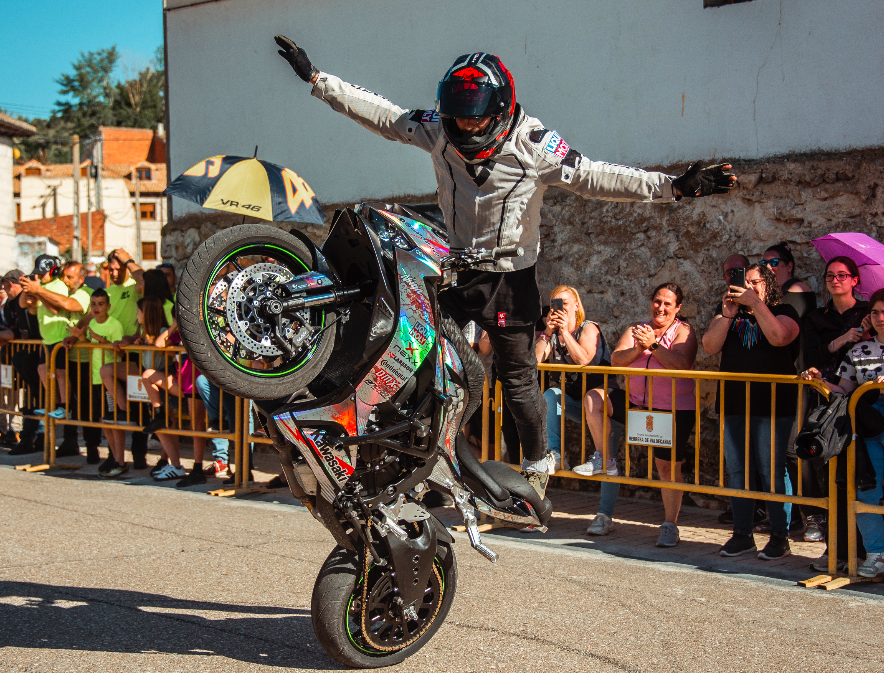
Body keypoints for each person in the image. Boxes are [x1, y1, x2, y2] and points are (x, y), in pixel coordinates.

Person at [275, 36, 737, 498]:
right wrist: (318, 80)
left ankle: (537, 464)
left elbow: (596, 176)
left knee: (516, 379)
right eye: (458, 118)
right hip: (454, 268)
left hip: (510, 277)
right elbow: (383, 115)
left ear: (500, 111)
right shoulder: (438, 129)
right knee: (418, 357)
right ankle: (411, 453)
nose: (466, 128)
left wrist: (674, 186)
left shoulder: (535, 142)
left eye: (475, 119)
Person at [583, 283, 698, 547]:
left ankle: (670, 524)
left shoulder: (684, 331)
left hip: (672, 408)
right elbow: (616, 359)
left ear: (678, 308)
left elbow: (680, 363)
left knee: (666, 467)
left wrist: (654, 346)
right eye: (658, 301)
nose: (661, 308)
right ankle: (604, 459)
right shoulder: (638, 329)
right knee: (594, 398)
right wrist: (639, 347)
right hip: (637, 404)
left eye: (668, 304)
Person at [703, 263, 800, 560]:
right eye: (742, 283)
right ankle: (742, 534)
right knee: (737, 470)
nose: (747, 287)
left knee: (771, 471)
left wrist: (756, 304)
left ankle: (779, 536)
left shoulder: (786, 311)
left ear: (767, 285)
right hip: (734, 403)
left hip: (772, 405)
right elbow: (709, 346)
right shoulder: (728, 313)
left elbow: (780, 337)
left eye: (754, 282)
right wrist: (728, 316)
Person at [801, 288, 884, 578]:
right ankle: (876, 554)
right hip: (868, 423)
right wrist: (820, 381)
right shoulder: (859, 350)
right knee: (867, 486)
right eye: (875, 312)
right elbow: (844, 390)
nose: (880, 318)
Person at [536, 285, 612, 473]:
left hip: (601, 403)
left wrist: (565, 332)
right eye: (556, 304)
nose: (561, 308)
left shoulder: (588, 328)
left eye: (565, 303)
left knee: (610, 462)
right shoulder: (552, 335)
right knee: (551, 395)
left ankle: (606, 492)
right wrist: (547, 331)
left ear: (577, 306)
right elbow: (536, 360)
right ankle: (555, 455)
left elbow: (583, 359)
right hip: (575, 401)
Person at [73, 289, 126, 476]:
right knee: (104, 420)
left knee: (114, 420)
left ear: (108, 306)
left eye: (100, 304)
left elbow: (120, 352)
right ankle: (113, 456)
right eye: (93, 304)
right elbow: (91, 347)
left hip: (110, 378)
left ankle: (120, 459)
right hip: (96, 377)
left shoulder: (115, 325)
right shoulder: (92, 323)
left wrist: (100, 339)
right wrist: (81, 338)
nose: (96, 308)